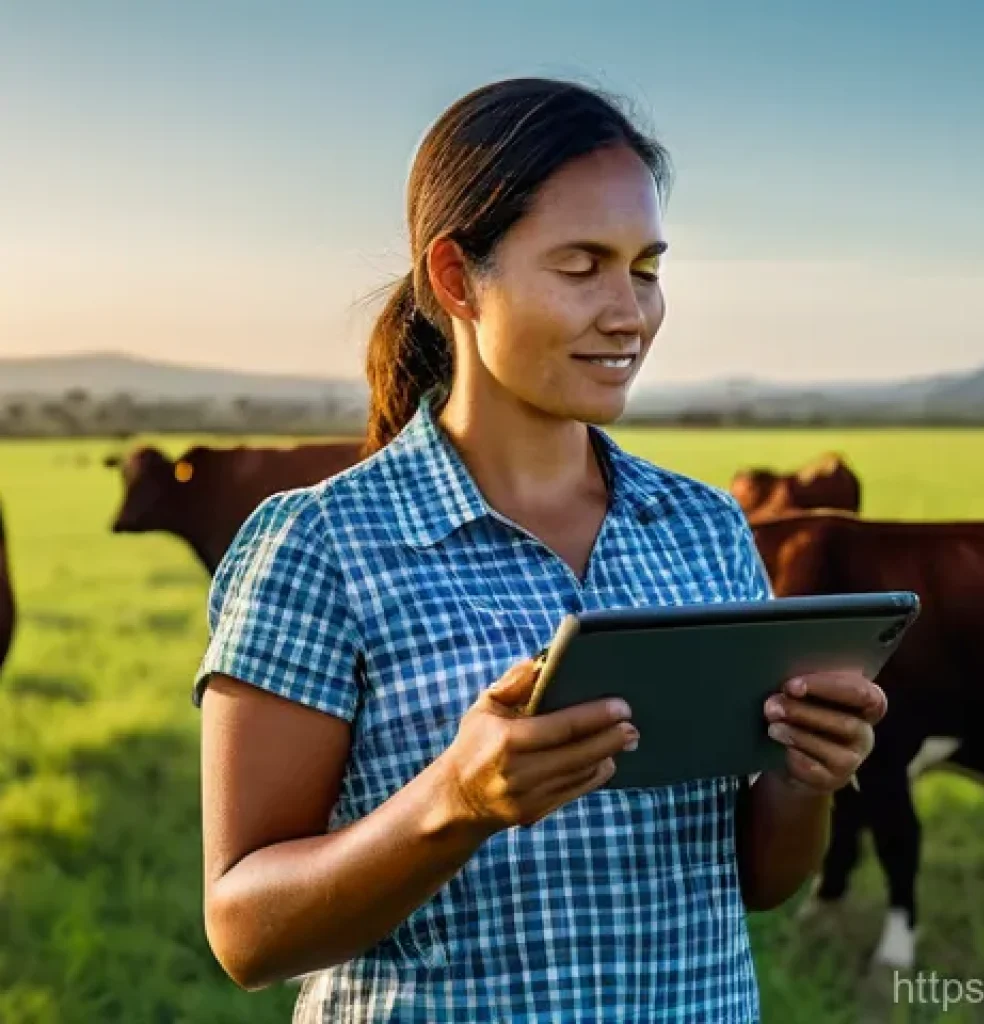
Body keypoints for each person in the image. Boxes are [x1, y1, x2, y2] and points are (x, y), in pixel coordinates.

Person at [194, 77, 886, 1023]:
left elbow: (759, 884)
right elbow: (246, 934)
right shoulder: (319, 547)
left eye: (646, 267)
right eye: (581, 265)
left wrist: (808, 775)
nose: (629, 312)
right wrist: (458, 801)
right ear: (455, 279)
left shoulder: (703, 529)